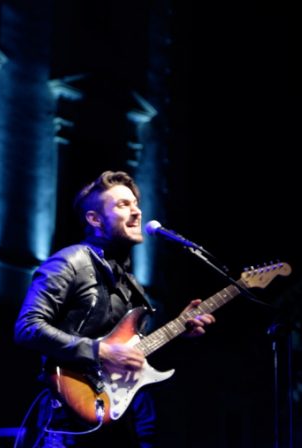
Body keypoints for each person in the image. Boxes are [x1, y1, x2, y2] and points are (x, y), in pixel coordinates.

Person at [14, 171, 215, 448]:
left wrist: (180, 331)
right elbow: (27, 327)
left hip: (117, 420)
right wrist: (102, 352)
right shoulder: (69, 262)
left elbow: (133, 355)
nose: (137, 212)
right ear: (95, 219)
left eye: (135, 204)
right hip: (67, 423)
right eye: (123, 205)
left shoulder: (131, 284)